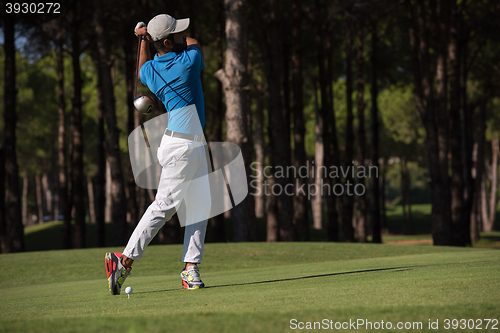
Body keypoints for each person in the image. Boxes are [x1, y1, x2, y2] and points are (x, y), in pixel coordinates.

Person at [105, 14, 210, 295]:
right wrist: (149, 37)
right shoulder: (189, 62)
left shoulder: (151, 71)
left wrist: (143, 39)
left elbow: (142, 68)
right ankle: (123, 261)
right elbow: (194, 41)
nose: (181, 35)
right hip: (183, 147)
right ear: (167, 41)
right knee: (164, 207)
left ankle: (190, 268)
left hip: (190, 144)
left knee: (200, 207)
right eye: (175, 33)